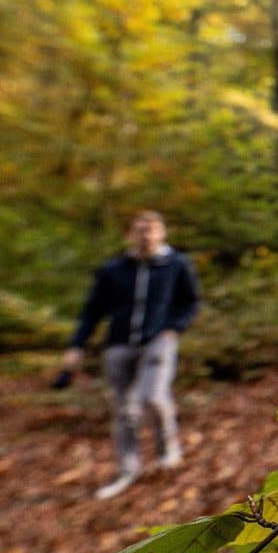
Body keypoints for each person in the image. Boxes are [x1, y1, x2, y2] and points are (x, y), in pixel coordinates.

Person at [59, 211, 201, 500]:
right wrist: (76, 346)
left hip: (158, 341)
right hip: (118, 345)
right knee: (124, 410)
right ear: (129, 234)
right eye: (139, 230)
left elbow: (191, 301)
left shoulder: (176, 265)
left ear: (162, 233)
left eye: (151, 230)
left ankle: (167, 454)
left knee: (153, 396)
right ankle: (128, 468)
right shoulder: (113, 270)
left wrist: (174, 329)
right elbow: (92, 312)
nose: (145, 236)